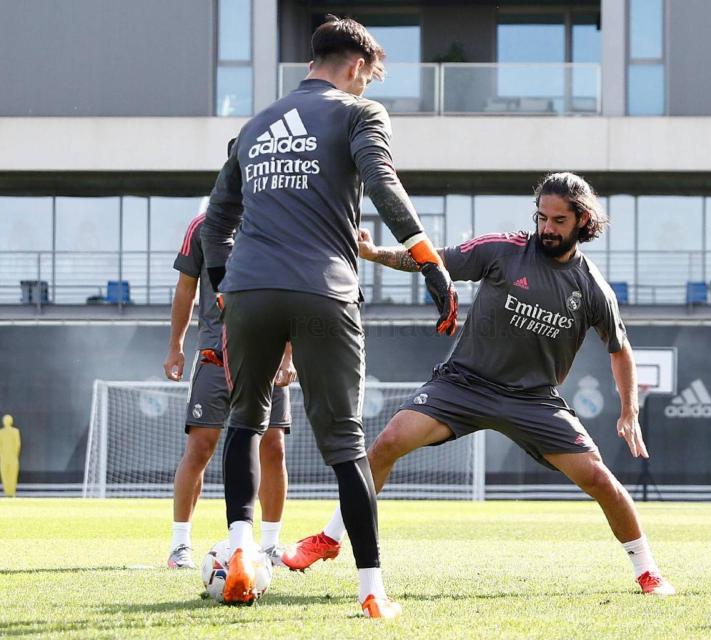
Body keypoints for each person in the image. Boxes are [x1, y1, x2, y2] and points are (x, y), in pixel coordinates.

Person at [283, 172, 675, 596]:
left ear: (582, 221)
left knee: (600, 480)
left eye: (558, 221)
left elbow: (620, 348)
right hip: (465, 385)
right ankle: (330, 537)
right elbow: (433, 258)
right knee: (388, 442)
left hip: (533, 401)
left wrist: (629, 409)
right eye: (541, 217)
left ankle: (647, 571)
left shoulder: (592, 287)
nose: (546, 228)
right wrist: (375, 253)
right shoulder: (503, 250)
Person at [200, 16, 457, 615]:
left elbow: (217, 223)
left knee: (244, 419)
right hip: (324, 290)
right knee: (345, 442)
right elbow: (383, 182)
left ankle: (240, 551)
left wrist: (223, 291)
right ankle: (372, 594)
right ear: (357, 64)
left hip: (248, 292)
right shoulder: (357, 113)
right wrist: (429, 261)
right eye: (370, 75)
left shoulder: (254, 126)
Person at [164, 201, 296, 570]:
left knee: (273, 447)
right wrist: (175, 346)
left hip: (268, 357)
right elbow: (186, 289)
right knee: (200, 446)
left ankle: (269, 546)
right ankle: (180, 546)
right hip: (214, 355)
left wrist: (289, 356)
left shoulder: (281, 217)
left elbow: (291, 292)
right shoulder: (203, 225)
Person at [0, 414, 21, 497]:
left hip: (11, 457)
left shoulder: (15, 432)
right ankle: (8, 492)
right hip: (5, 457)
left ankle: (11, 492)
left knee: (11, 475)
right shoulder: (1, 432)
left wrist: (15, 454)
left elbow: (17, 444)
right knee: (6, 475)